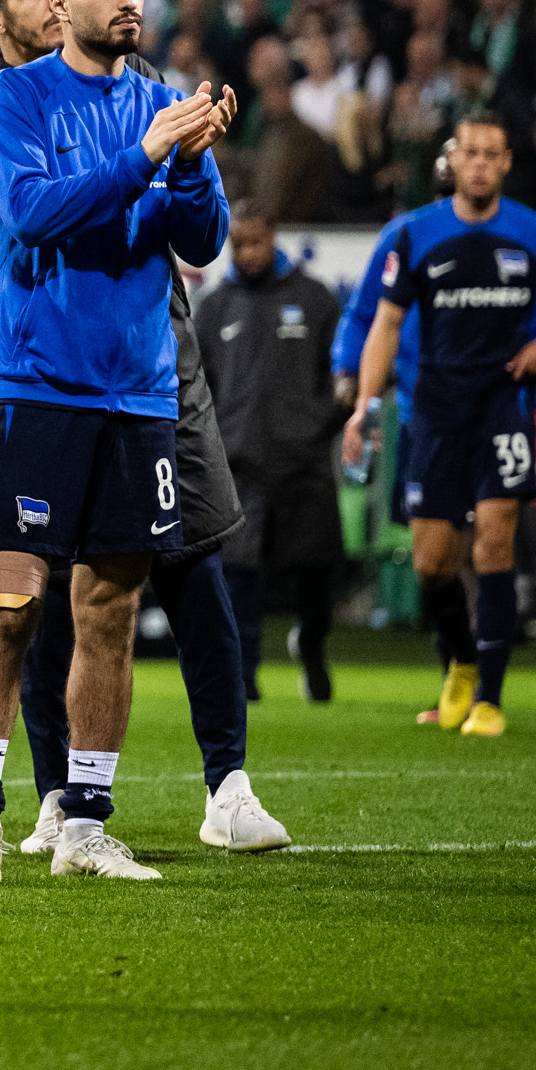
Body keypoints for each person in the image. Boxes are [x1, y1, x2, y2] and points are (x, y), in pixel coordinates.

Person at [0, 0, 286, 866]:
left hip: (139, 392)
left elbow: (199, 239)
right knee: (7, 609)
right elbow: (33, 211)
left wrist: (194, 153)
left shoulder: (160, 101)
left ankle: (86, 823)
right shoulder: (7, 99)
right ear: (61, 5)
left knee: (112, 610)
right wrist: (147, 153)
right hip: (36, 383)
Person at [343, 114, 536, 738]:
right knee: (432, 563)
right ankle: (458, 660)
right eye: (469, 153)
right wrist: (364, 405)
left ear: (506, 163)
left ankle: (490, 696)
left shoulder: (533, 231)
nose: (480, 163)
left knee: (494, 545)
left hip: (502, 411)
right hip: (435, 414)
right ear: (451, 161)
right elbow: (385, 324)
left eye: (492, 154)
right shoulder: (417, 235)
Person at [199, 209, 349, 702]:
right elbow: (197, 385)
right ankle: (244, 676)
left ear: (273, 238)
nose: (248, 254)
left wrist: (318, 424)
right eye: (239, 245)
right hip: (240, 471)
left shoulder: (315, 299)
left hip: (304, 465)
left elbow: (343, 374)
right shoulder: (215, 307)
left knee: (316, 575)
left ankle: (310, 645)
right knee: (239, 578)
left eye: (256, 243)